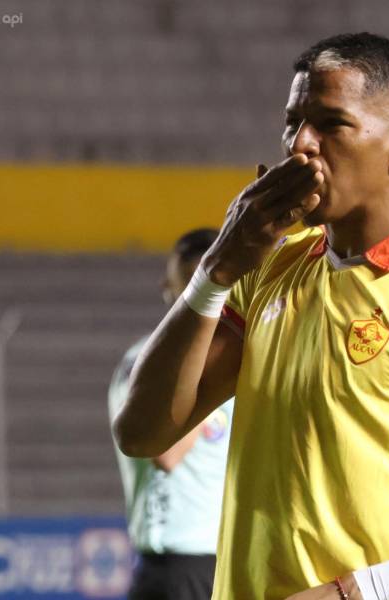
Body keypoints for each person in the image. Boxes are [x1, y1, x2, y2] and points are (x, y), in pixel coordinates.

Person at [113, 32, 389, 600]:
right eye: (293, 122)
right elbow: (142, 432)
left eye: (331, 124)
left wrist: (354, 593)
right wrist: (216, 271)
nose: (300, 144)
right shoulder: (269, 268)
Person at [108, 227, 234, 600]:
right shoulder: (145, 362)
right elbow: (165, 451)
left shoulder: (235, 359)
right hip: (179, 564)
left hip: (224, 558)